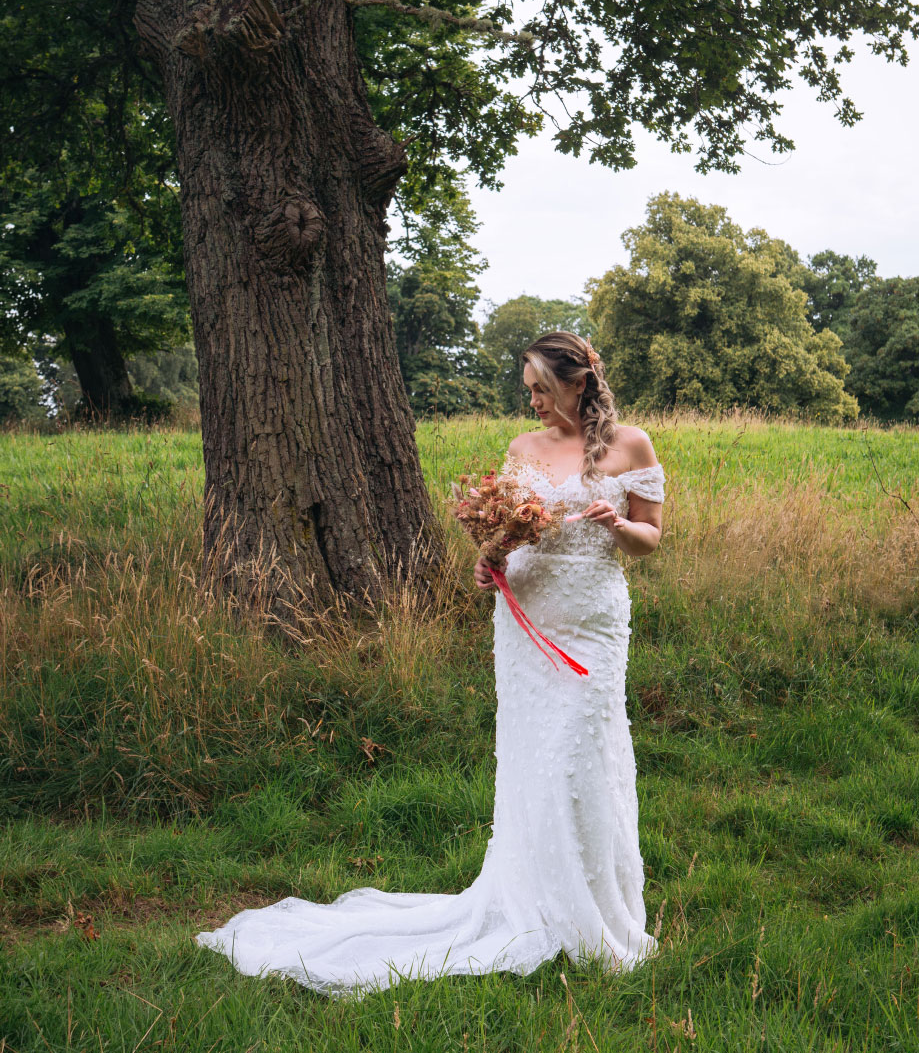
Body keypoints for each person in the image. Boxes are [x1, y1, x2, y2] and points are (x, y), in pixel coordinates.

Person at [195, 331, 664, 996]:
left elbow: (650, 538)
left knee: (585, 750)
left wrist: (616, 527)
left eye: (540, 388)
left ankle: (594, 910)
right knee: (534, 754)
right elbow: (514, 528)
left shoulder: (631, 446)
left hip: (590, 624)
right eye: (525, 388)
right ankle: (532, 894)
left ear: (578, 382)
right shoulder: (521, 449)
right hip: (525, 620)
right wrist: (492, 555)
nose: (529, 401)